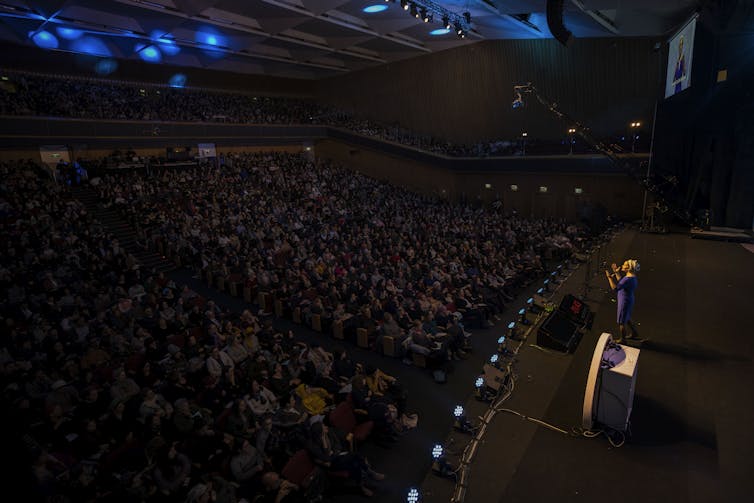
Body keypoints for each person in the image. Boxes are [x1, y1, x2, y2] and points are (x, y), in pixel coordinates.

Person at [605, 259, 642, 343]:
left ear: (628, 268)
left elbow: (615, 288)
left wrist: (609, 278)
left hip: (624, 301)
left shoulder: (627, 279)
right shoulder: (631, 277)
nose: (622, 266)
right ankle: (634, 333)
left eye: (624, 265)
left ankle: (623, 339)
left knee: (621, 322)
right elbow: (622, 282)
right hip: (629, 299)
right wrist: (616, 272)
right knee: (627, 317)